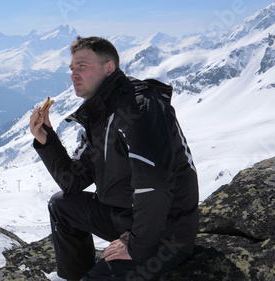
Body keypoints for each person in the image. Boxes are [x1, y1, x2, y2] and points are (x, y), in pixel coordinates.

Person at [29, 36, 199, 280]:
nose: (73, 75)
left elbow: (154, 185)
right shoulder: (102, 112)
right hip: (128, 218)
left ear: (109, 68)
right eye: (72, 68)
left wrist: (136, 246)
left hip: (166, 232)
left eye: (82, 67)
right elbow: (73, 182)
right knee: (61, 205)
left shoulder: (139, 107)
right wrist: (47, 139)